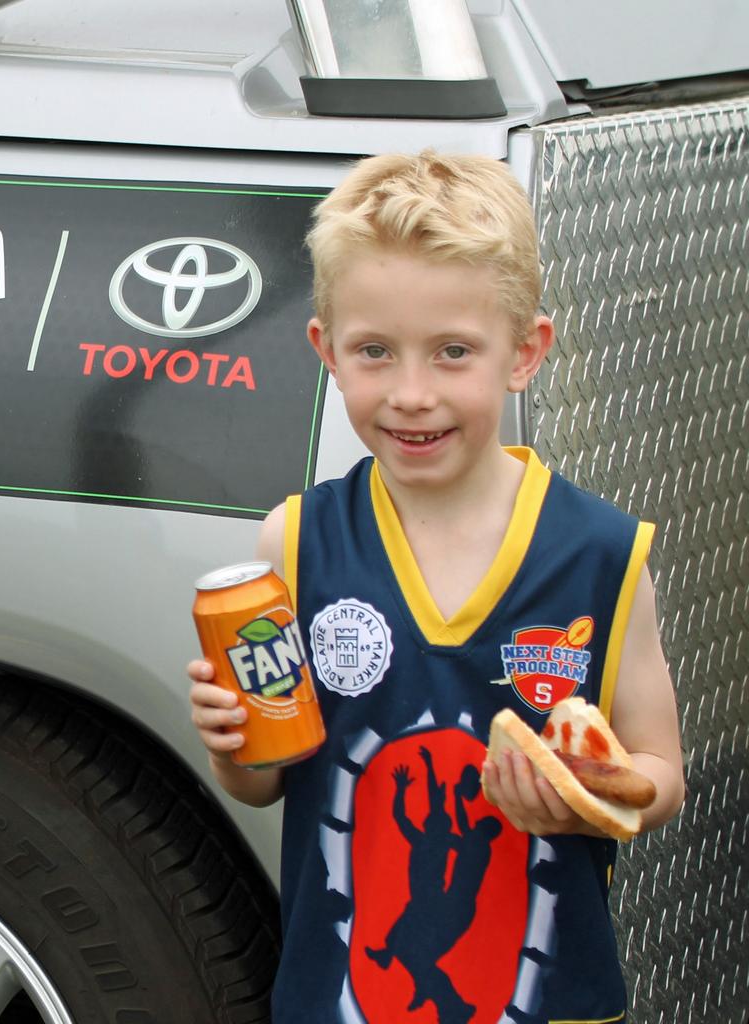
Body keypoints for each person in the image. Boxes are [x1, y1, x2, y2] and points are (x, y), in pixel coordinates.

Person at [189, 151, 685, 1024]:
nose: (412, 395)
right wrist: (234, 742)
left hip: (549, 1001)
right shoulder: (297, 542)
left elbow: (662, 776)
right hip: (338, 1000)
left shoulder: (603, 556)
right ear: (327, 352)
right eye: (375, 352)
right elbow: (267, 782)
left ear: (524, 353)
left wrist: (590, 796)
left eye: (453, 352)